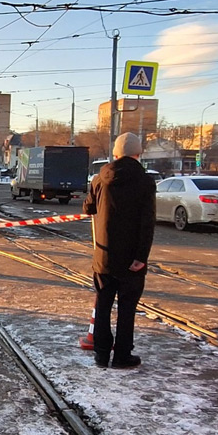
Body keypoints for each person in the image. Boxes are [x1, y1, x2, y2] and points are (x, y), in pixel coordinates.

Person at [82, 133, 156, 369]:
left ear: (115, 153)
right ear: (138, 153)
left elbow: (88, 208)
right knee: (127, 308)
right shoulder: (145, 181)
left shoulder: (99, 178)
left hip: (104, 256)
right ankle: (122, 355)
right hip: (132, 258)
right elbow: (147, 223)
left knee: (103, 304)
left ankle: (101, 355)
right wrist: (141, 257)